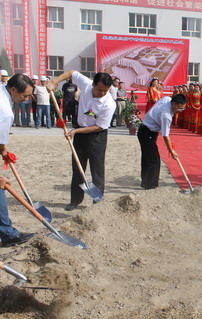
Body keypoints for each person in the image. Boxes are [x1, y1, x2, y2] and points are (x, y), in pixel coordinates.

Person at [47, 71, 116, 211]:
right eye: (99, 89)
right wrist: (55, 82)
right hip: (80, 131)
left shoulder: (109, 103)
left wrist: (76, 131)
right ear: (93, 85)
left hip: (97, 136)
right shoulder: (86, 84)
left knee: (97, 170)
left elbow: (99, 126)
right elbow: (71, 73)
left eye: (106, 90)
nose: (102, 93)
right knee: (78, 169)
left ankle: (97, 202)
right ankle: (75, 200)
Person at [0, 74, 36, 246]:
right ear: (13, 89)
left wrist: (3, 150)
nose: (27, 99)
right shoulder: (6, 112)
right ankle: (9, 235)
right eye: (25, 95)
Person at [138, 94, 187, 189]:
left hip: (146, 130)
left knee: (147, 157)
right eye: (179, 108)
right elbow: (165, 136)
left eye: (182, 109)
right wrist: (171, 151)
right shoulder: (166, 115)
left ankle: (145, 182)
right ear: (173, 104)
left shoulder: (167, 99)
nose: (180, 111)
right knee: (154, 160)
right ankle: (151, 186)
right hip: (147, 133)